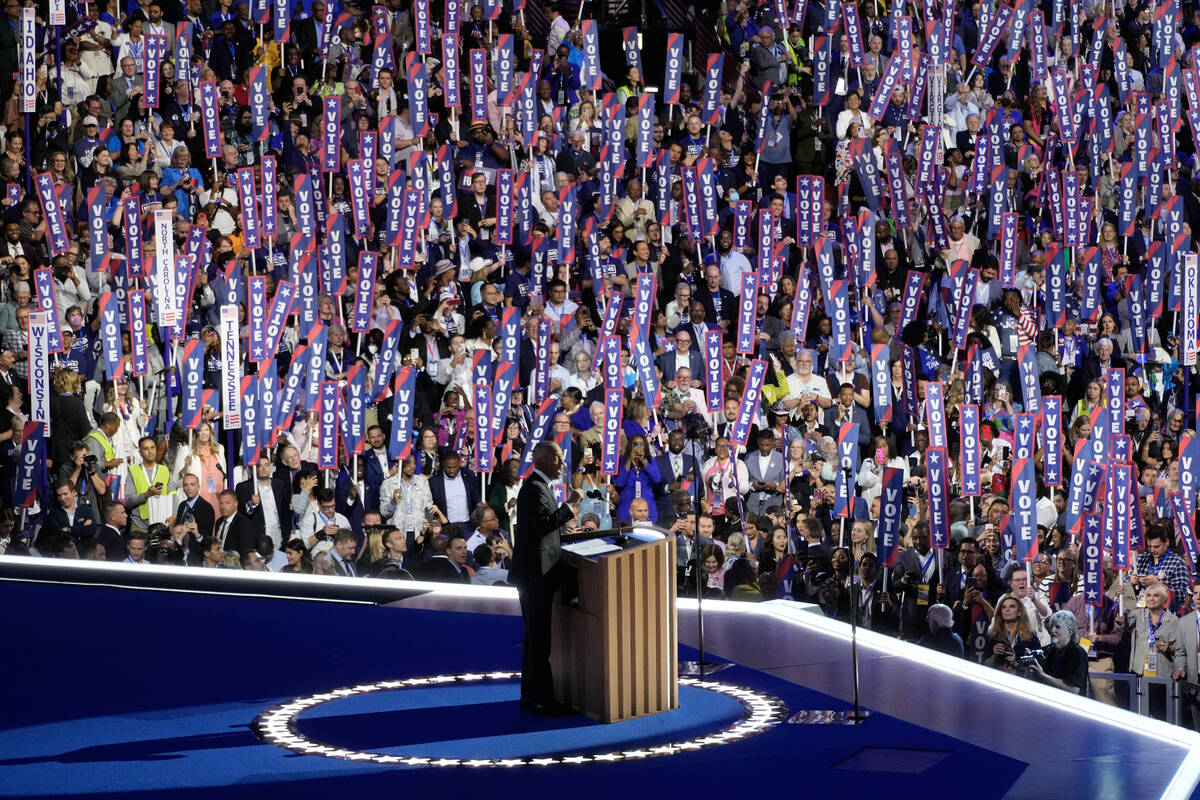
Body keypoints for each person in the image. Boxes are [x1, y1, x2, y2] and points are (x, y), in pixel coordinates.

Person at [511, 441, 578, 716]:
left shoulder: (538, 487)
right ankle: (542, 700)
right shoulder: (535, 489)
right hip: (536, 575)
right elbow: (542, 526)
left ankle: (530, 695)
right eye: (558, 458)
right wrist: (569, 507)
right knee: (540, 640)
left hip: (535, 574)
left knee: (534, 639)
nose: (562, 464)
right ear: (543, 460)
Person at [1025, 610, 1089, 695]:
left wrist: (1043, 676)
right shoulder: (1047, 650)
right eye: (1051, 627)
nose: (1052, 630)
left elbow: (1074, 690)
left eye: (1057, 627)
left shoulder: (1077, 653)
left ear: (1070, 632)